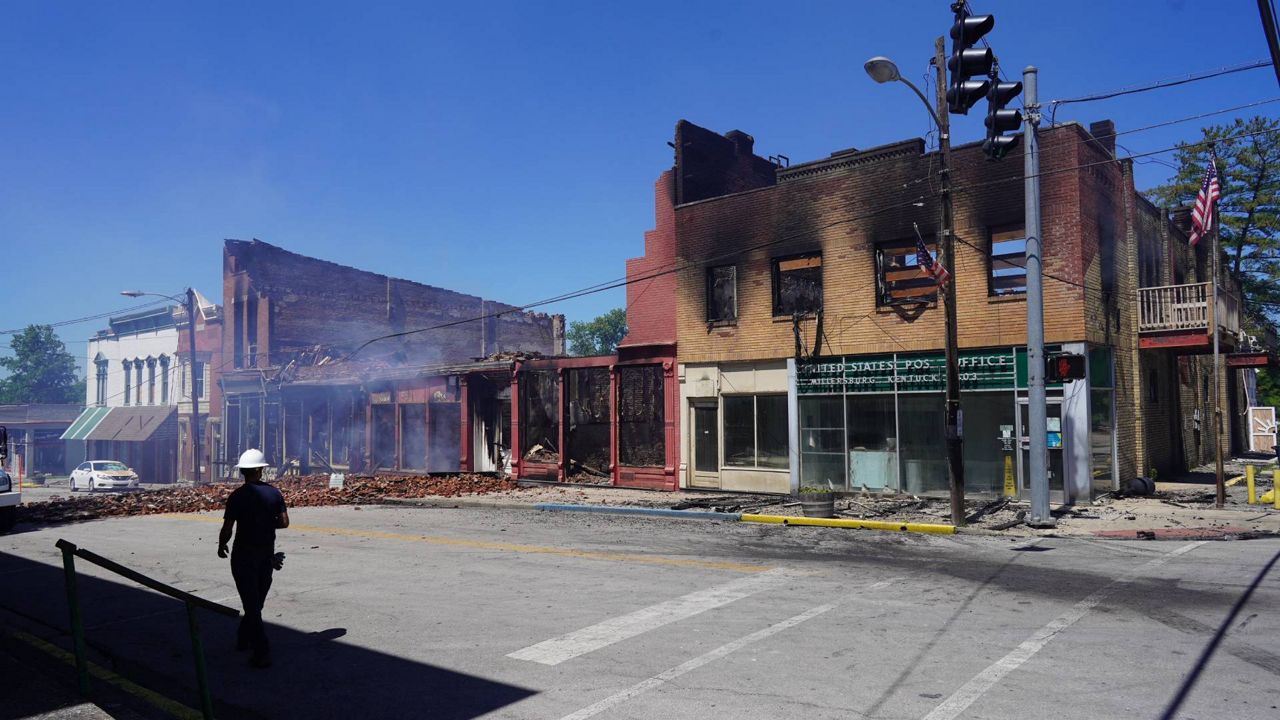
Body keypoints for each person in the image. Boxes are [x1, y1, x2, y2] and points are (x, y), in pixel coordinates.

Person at [218, 448, 289, 668]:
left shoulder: (237, 496)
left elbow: (228, 527)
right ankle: (259, 648)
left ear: (243, 472)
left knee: (252, 603)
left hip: (243, 556)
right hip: (266, 556)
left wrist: (221, 545)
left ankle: (252, 644)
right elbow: (284, 522)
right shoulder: (274, 493)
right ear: (260, 470)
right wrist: (266, 522)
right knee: (255, 603)